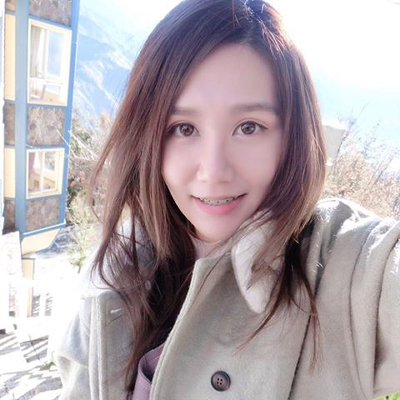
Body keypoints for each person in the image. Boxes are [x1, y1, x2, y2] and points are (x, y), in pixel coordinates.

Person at [55, 0, 400, 399]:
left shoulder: (347, 268)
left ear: (291, 137)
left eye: (249, 127)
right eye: (183, 128)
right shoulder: (114, 276)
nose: (214, 170)